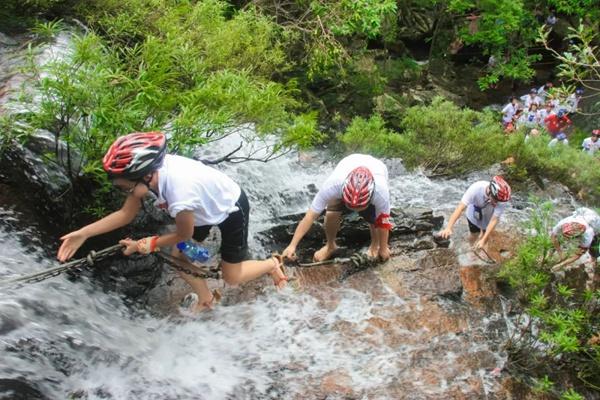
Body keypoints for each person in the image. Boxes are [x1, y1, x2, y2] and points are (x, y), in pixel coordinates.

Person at [57, 132, 287, 313]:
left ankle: (270, 264)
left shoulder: (180, 192)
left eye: (125, 186)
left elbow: (184, 234)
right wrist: (84, 233)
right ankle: (206, 299)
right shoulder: (151, 173)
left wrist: (149, 243)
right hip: (200, 207)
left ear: (145, 176)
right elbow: (125, 214)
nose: (125, 190)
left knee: (231, 277)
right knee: (180, 258)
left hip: (229, 208)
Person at [281, 154, 392, 262]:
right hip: (348, 163)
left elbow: (383, 222)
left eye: (359, 207)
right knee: (331, 213)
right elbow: (309, 216)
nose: (355, 210)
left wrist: (383, 248)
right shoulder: (332, 186)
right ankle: (330, 246)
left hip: (376, 170)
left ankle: (375, 246)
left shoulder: (381, 192)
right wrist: (292, 245)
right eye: (351, 206)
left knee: (373, 219)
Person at [438, 176, 511, 250]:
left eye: (499, 201)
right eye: (495, 200)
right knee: (474, 234)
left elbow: (494, 220)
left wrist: (483, 240)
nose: (497, 203)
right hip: (473, 214)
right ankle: (472, 249)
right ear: (490, 191)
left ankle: (482, 245)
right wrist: (449, 227)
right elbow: (460, 208)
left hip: (489, 216)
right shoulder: (475, 189)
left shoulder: (502, 200)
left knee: (485, 235)